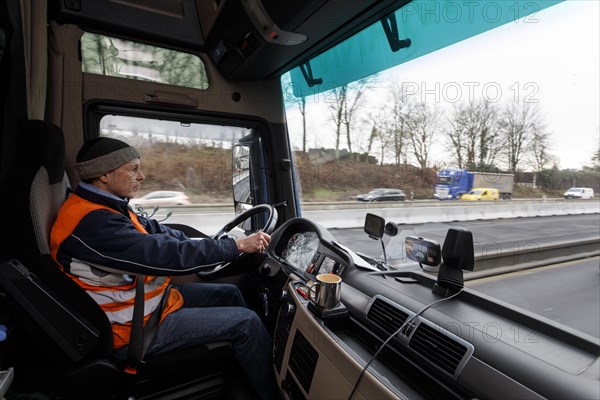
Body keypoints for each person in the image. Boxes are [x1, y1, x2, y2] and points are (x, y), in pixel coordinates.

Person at [49, 137, 278, 400]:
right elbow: (165, 254)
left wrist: (217, 244)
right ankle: (272, 394)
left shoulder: (109, 206)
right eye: (132, 169)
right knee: (246, 322)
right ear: (104, 174)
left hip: (147, 304)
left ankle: (246, 370)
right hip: (132, 329)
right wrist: (235, 247)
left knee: (229, 293)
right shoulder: (93, 222)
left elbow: (163, 234)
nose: (142, 176)